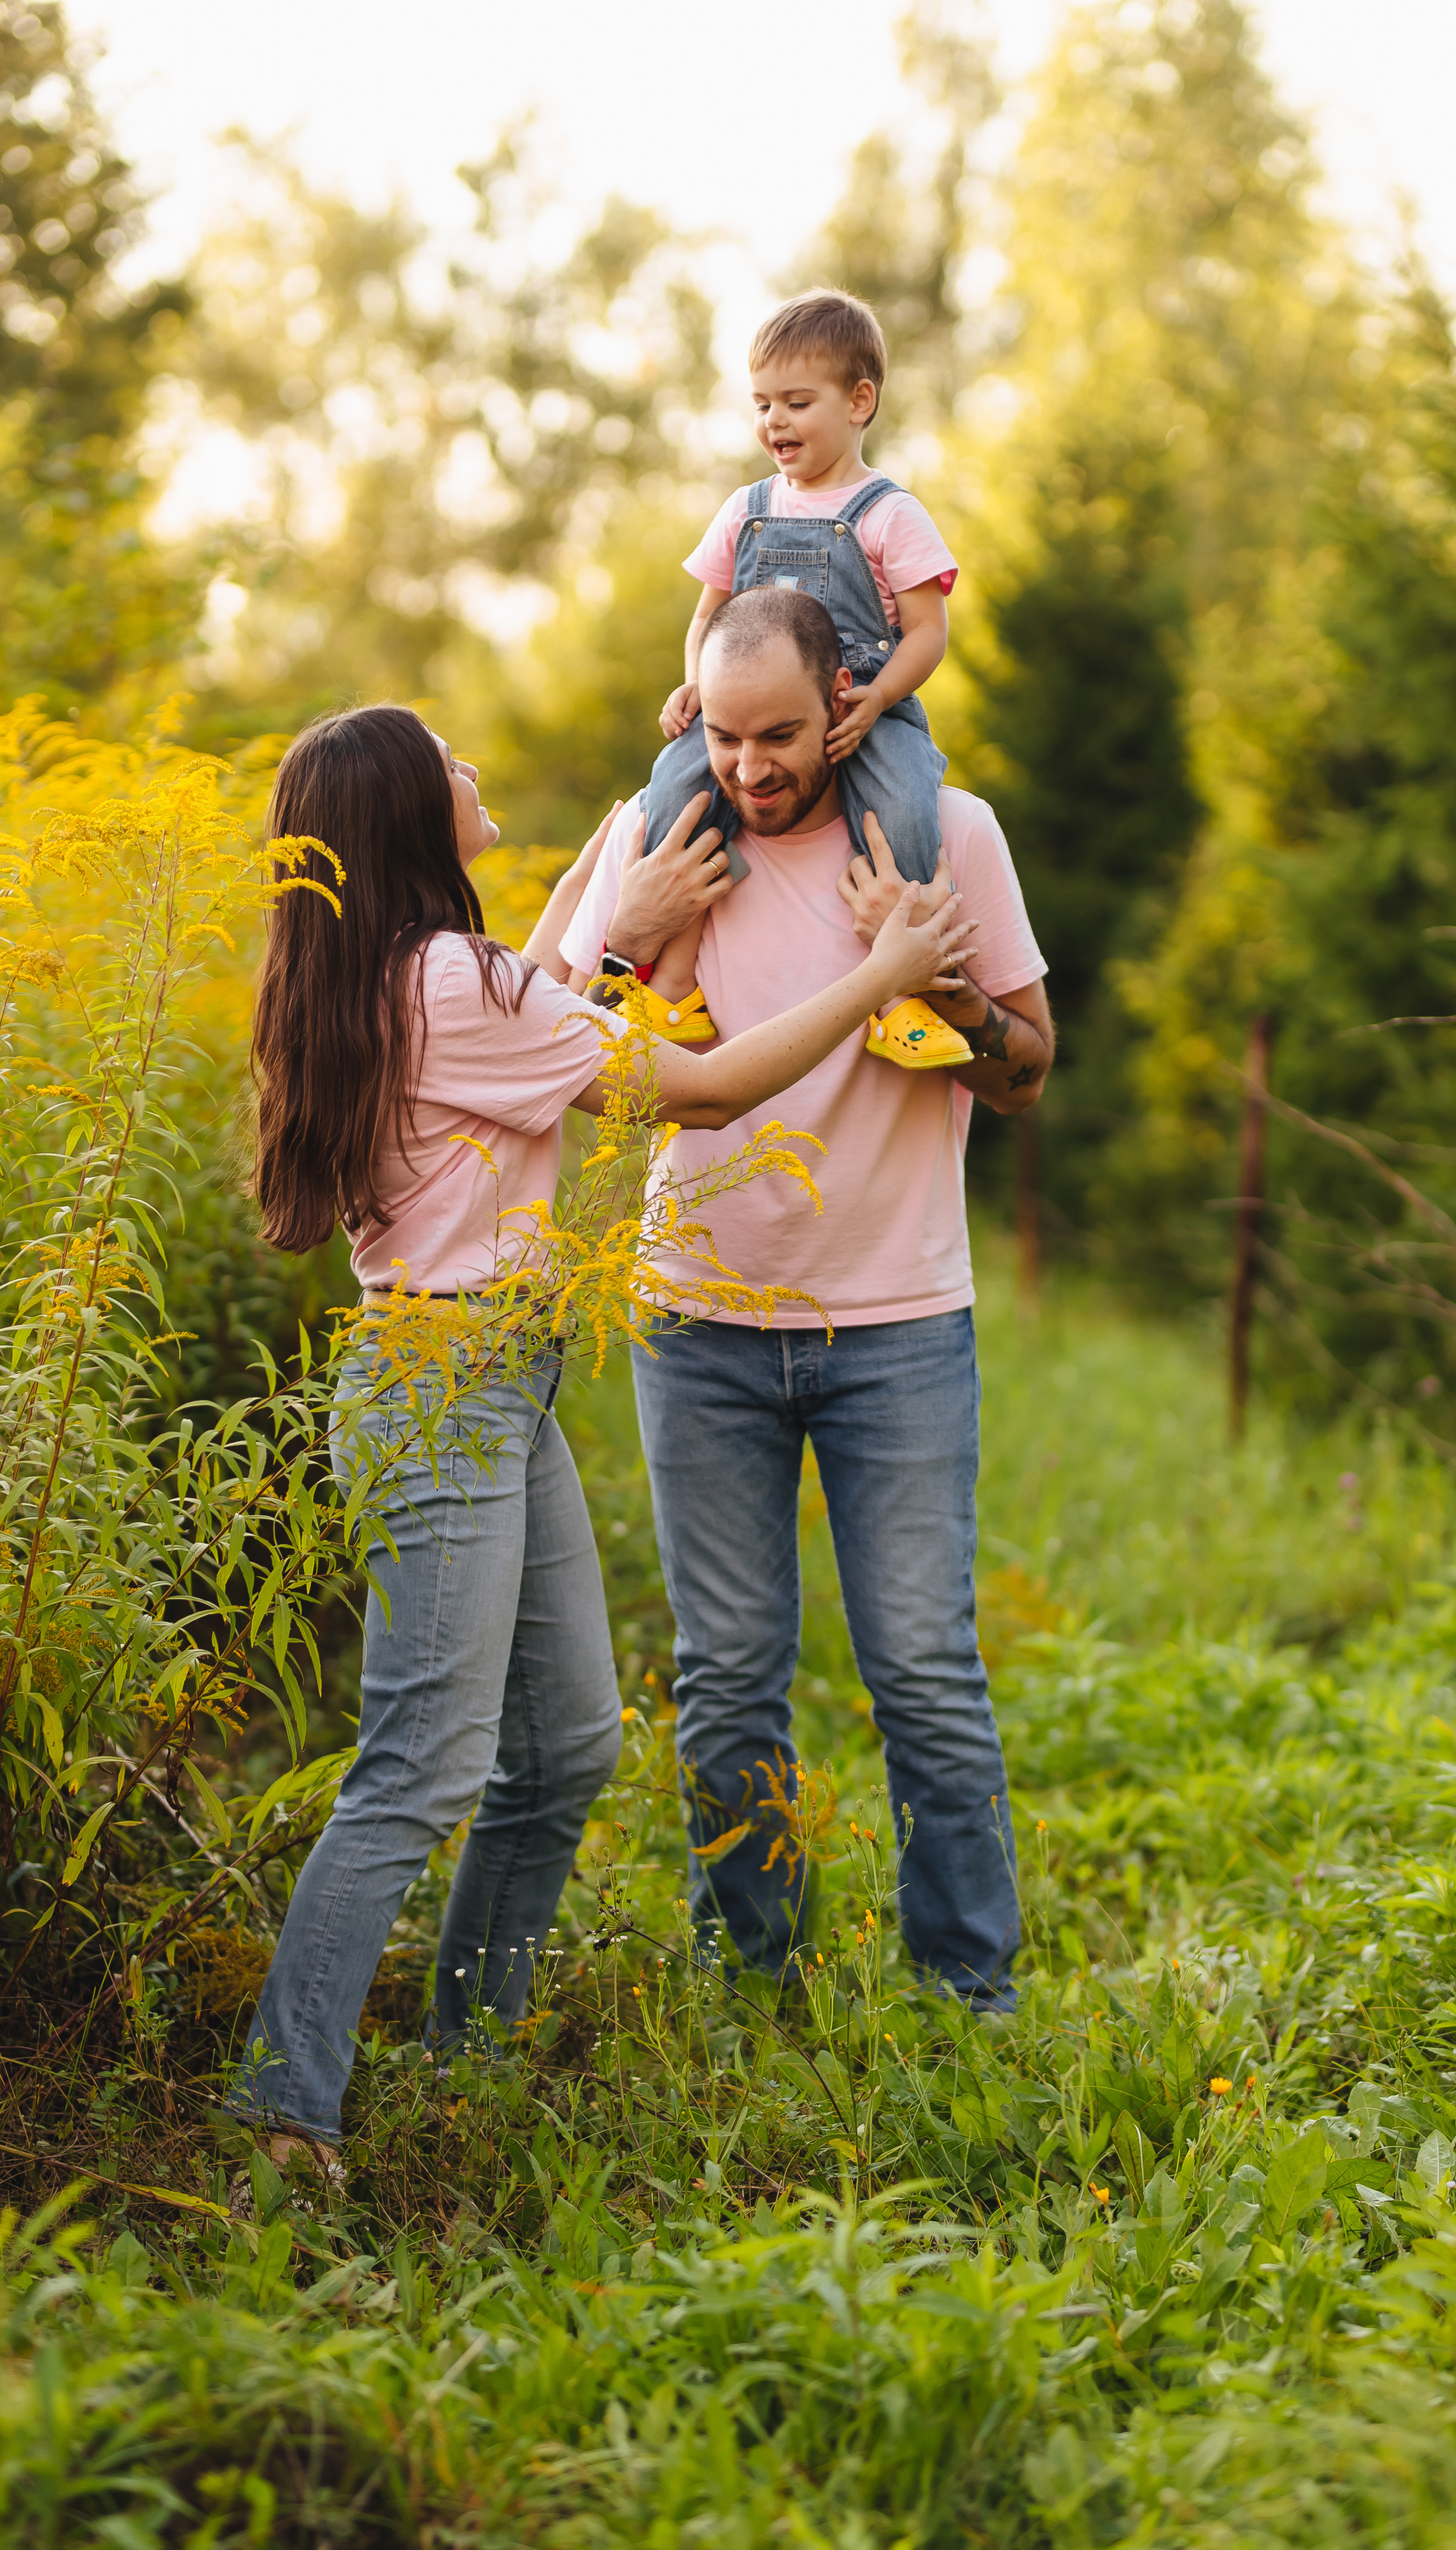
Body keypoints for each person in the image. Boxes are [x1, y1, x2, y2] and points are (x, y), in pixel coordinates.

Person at [231, 702, 976, 2162]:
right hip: (443, 1388)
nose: (469, 760)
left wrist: (665, 778)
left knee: (566, 1745)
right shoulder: (448, 981)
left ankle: (464, 2062)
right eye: (445, 753)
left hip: (487, 1379)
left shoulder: (418, 974)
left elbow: (556, 967)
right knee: (420, 1766)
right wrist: (882, 975)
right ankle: (279, 2104)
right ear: (401, 810)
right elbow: (692, 1087)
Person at [562, 587, 1053, 2012]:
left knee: (922, 1674)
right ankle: (748, 1985)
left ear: (844, 698)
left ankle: (970, 1997)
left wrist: (947, 994)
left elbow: (1025, 1075)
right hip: (695, 1326)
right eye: (721, 735)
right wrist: (622, 927)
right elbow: (547, 1055)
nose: (749, 768)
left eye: (779, 735)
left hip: (896, 1324)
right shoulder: (658, 840)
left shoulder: (941, 837)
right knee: (724, 1680)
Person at [633, 286, 971, 1073]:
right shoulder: (744, 510)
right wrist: (697, 688)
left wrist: (879, 700)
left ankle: (900, 998)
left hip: (863, 705)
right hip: (750, 715)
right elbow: (705, 620)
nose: (773, 422)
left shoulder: (889, 514)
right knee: (673, 789)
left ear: (860, 401)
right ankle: (676, 979)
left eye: (795, 402)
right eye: (760, 404)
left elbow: (926, 634)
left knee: (905, 812)